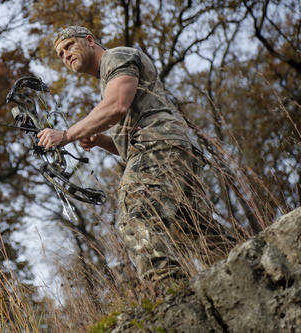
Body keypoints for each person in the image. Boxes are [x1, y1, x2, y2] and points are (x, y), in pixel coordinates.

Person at [37, 26, 214, 284]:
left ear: (90, 40)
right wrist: (100, 141)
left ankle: (171, 294)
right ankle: (250, 275)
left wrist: (65, 135)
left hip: (160, 146)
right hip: (167, 151)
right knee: (200, 233)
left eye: (69, 46)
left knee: (136, 217)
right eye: (61, 53)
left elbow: (117, 105)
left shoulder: (116, 57)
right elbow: (128, 146)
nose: (65, 55)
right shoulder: (107, 80)